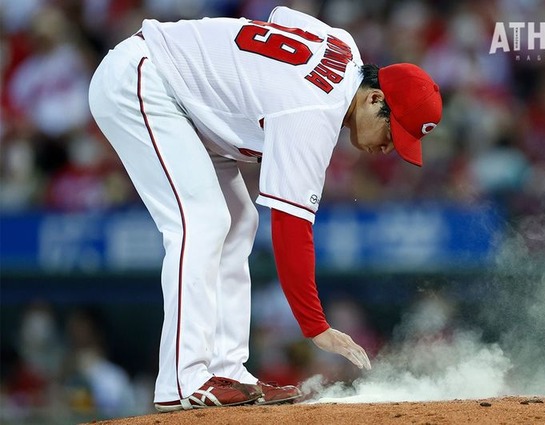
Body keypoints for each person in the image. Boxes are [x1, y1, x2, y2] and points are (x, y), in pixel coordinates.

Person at [88, 6, 441, 412]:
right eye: (393, 131)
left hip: (188, 100)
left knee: (239, 221)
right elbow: (292, 228)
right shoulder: (313, 114)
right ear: (375, 97)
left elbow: (281, 17)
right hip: (144, 80)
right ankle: (182, 379)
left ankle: (228, 367)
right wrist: (316, 326)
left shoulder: (344, 47)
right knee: (201, 221)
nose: (391, 146)